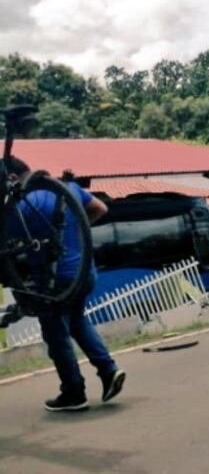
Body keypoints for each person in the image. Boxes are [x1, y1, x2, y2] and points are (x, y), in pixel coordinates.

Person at [4, 157, 126, 412]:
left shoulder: (25, 205)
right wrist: (75, 233)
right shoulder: (67, 188)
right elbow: (100, 208)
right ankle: (108, 370)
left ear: (12, 179)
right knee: (78, 320)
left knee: (56, 335)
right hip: (84, 273)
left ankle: (73, 392)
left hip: (54, 281)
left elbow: (8, 240)